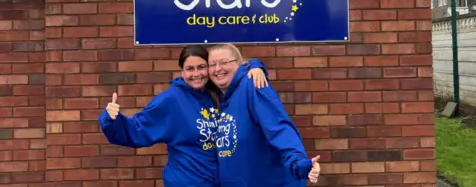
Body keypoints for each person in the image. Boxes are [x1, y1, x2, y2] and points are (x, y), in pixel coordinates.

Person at [98, 45, 268, 187]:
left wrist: (255, 66)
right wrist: (111, 119)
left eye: (201, 67)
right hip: (186, 182)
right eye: (189, 69)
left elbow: (236, 69)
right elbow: (136, 130)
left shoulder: (219, 94)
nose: (196, 74)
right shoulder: (171, 101)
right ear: (181, 71)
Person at [208, 44, 321, 186]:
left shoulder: (253, 85)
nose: (217, 69)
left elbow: (278, 127)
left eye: (224, 62)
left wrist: (298, 162)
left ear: (239, 64)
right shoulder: (223, 98)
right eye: (212, 64)